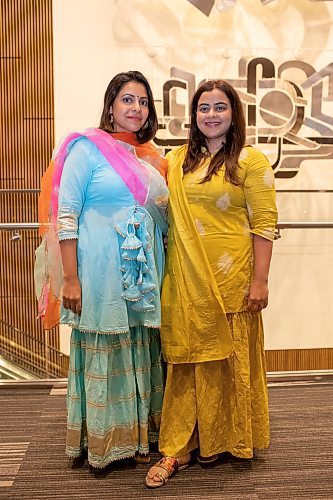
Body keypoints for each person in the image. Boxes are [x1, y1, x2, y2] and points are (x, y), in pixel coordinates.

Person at [146, 79, 278, 487]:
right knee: (187, 364)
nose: (211, 115)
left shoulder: (251, 162)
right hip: (186, 281)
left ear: (234, 114)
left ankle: (228, 439)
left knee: (229, 360)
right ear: (194, 115)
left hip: (232, 278)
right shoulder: (177, 159)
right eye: (204, 108)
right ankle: (178, 446)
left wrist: (260, 281)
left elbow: (264, 224)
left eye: (220, 107)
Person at [35, 71, 169, 468]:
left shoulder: (150, 156)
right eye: (128, 99)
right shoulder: (86, 149)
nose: (136, 108)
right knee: (105, 348)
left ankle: (143, 437)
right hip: (99, 274)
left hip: (141, 275)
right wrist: (71, 278)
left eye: (143, 102)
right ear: (110, 105)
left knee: (140, 347)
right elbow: (67, 215)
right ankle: (106, 444)